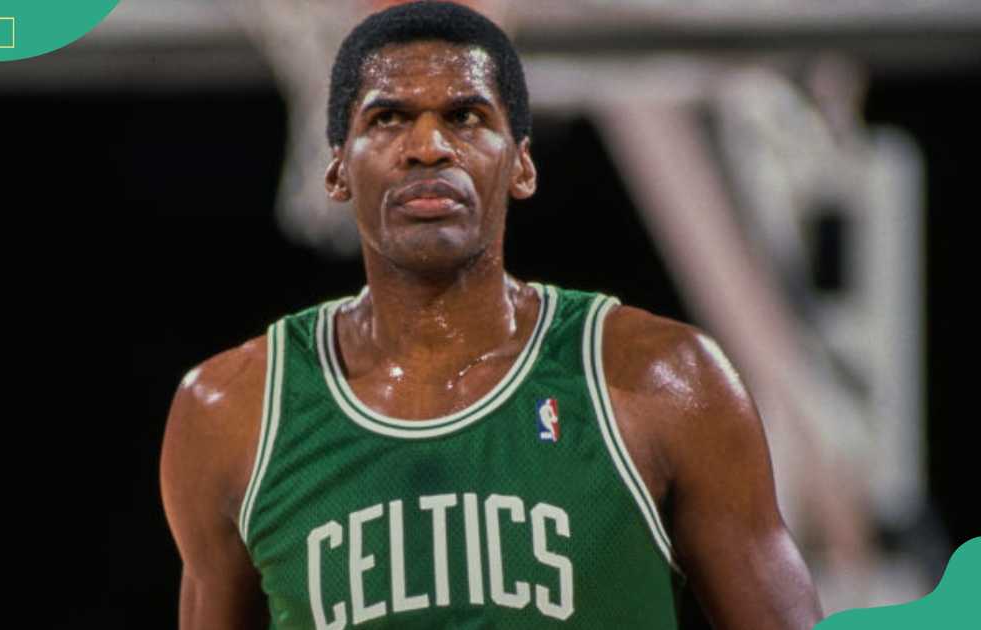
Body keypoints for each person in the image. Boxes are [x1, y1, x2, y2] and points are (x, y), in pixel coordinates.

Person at [160, 2, 823, 628]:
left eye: (466, 117)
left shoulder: (665, 382)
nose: (428, 147)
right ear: (334, 169)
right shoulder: (232, 412)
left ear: (522, 164)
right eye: (388, 118)